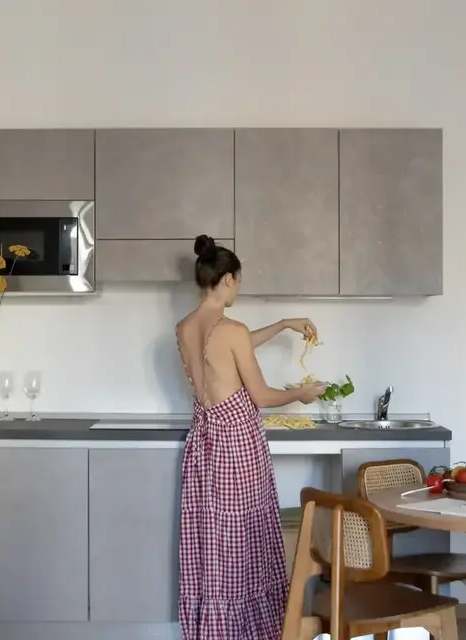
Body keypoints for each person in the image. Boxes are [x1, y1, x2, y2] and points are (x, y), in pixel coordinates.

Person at [175, 234, 326, 639]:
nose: (239, 289)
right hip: (238, 448)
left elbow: (228, 350)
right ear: (227, 279)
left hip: (204, 448)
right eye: (239, 282)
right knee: (246, 544)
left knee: (215, 545)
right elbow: (260, 395)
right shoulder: (232, 329)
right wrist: (302, 393)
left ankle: (216, 632)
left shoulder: (185, 328)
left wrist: (281, 325)